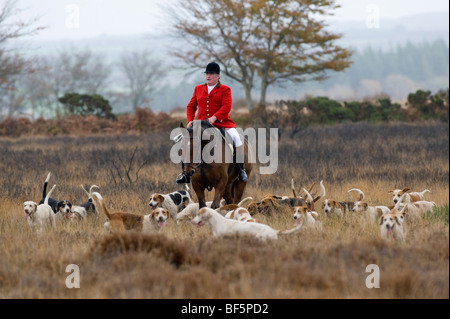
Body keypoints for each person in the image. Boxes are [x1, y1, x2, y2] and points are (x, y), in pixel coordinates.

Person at [175, 61, 248, 184]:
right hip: (201, 124)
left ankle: (241, 170)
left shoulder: (225, 89)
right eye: (207, 74)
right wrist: (190, 121)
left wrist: (215, 118)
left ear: (217, 76)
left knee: (237, 140)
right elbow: (191, 106)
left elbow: (226, 106)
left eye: (211, 74)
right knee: (185, 142)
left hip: (222, 123)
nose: (208, 76)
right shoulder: (198, 89)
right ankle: (185, 174)